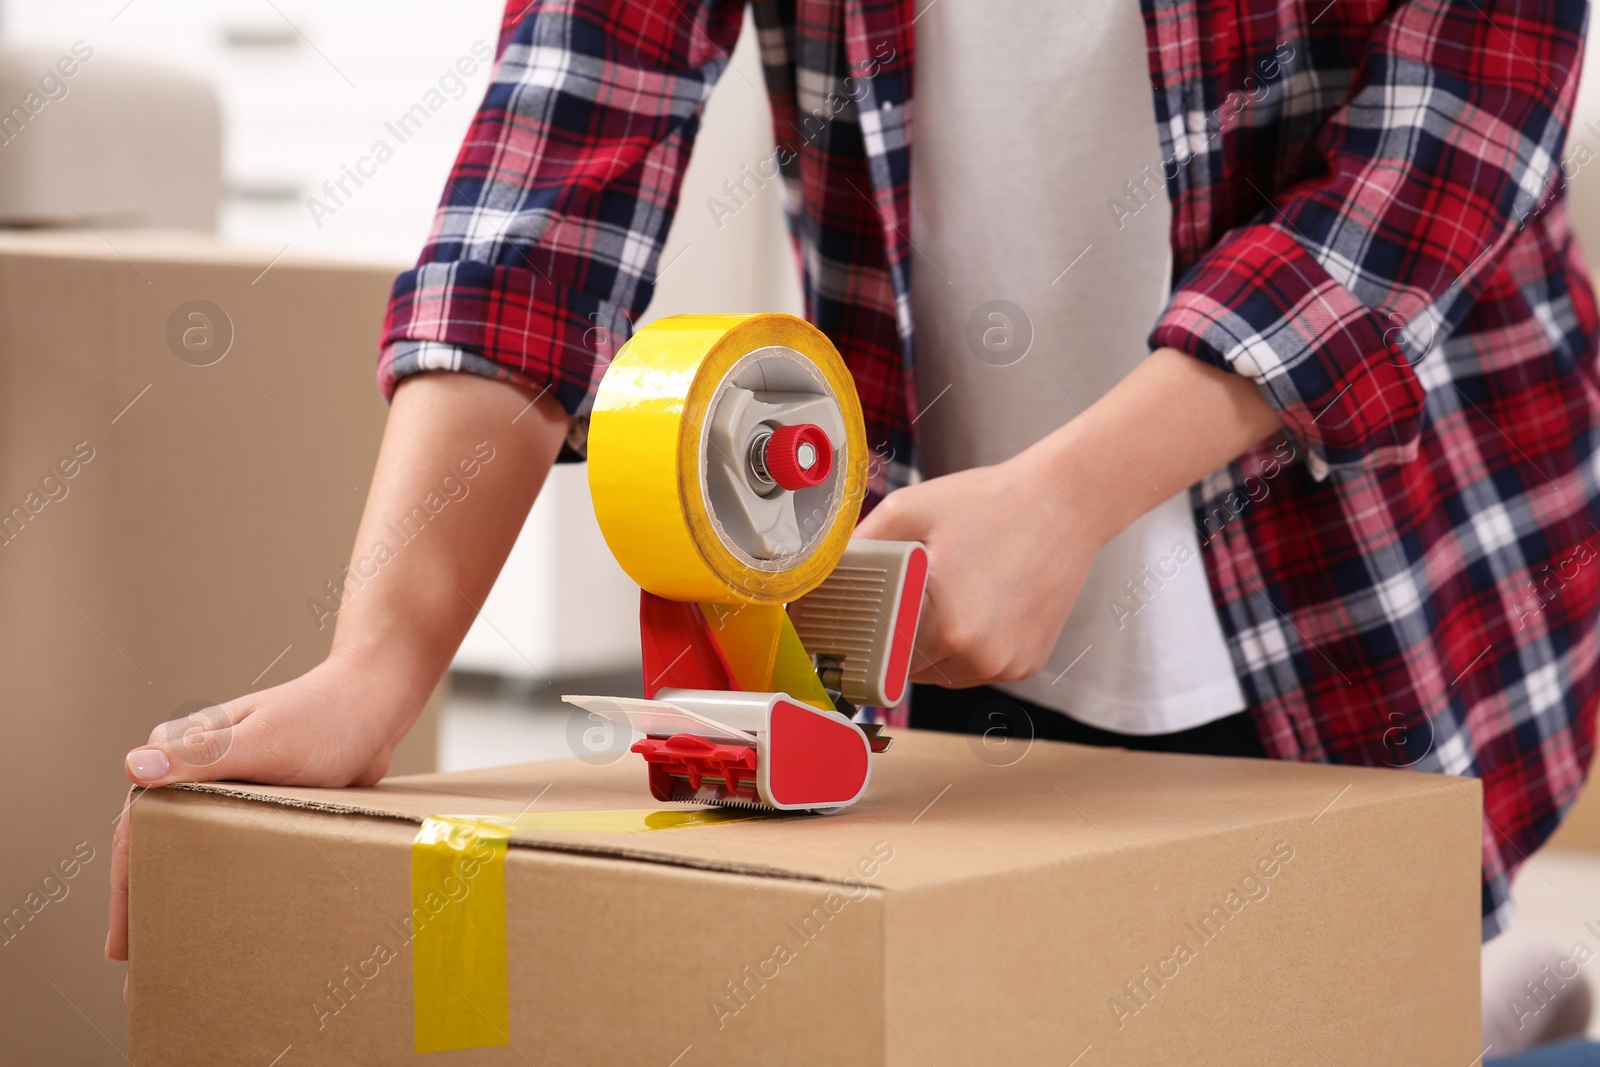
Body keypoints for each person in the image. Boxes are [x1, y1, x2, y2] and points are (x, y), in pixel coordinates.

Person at [108, 0, 1600, 1058]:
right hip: (932, 590)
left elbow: (1448, 146)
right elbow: (559, 151)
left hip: (1364, 578)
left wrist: (1073, 498)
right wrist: (380, 662)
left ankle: (1458, 1007)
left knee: (1318, 979)